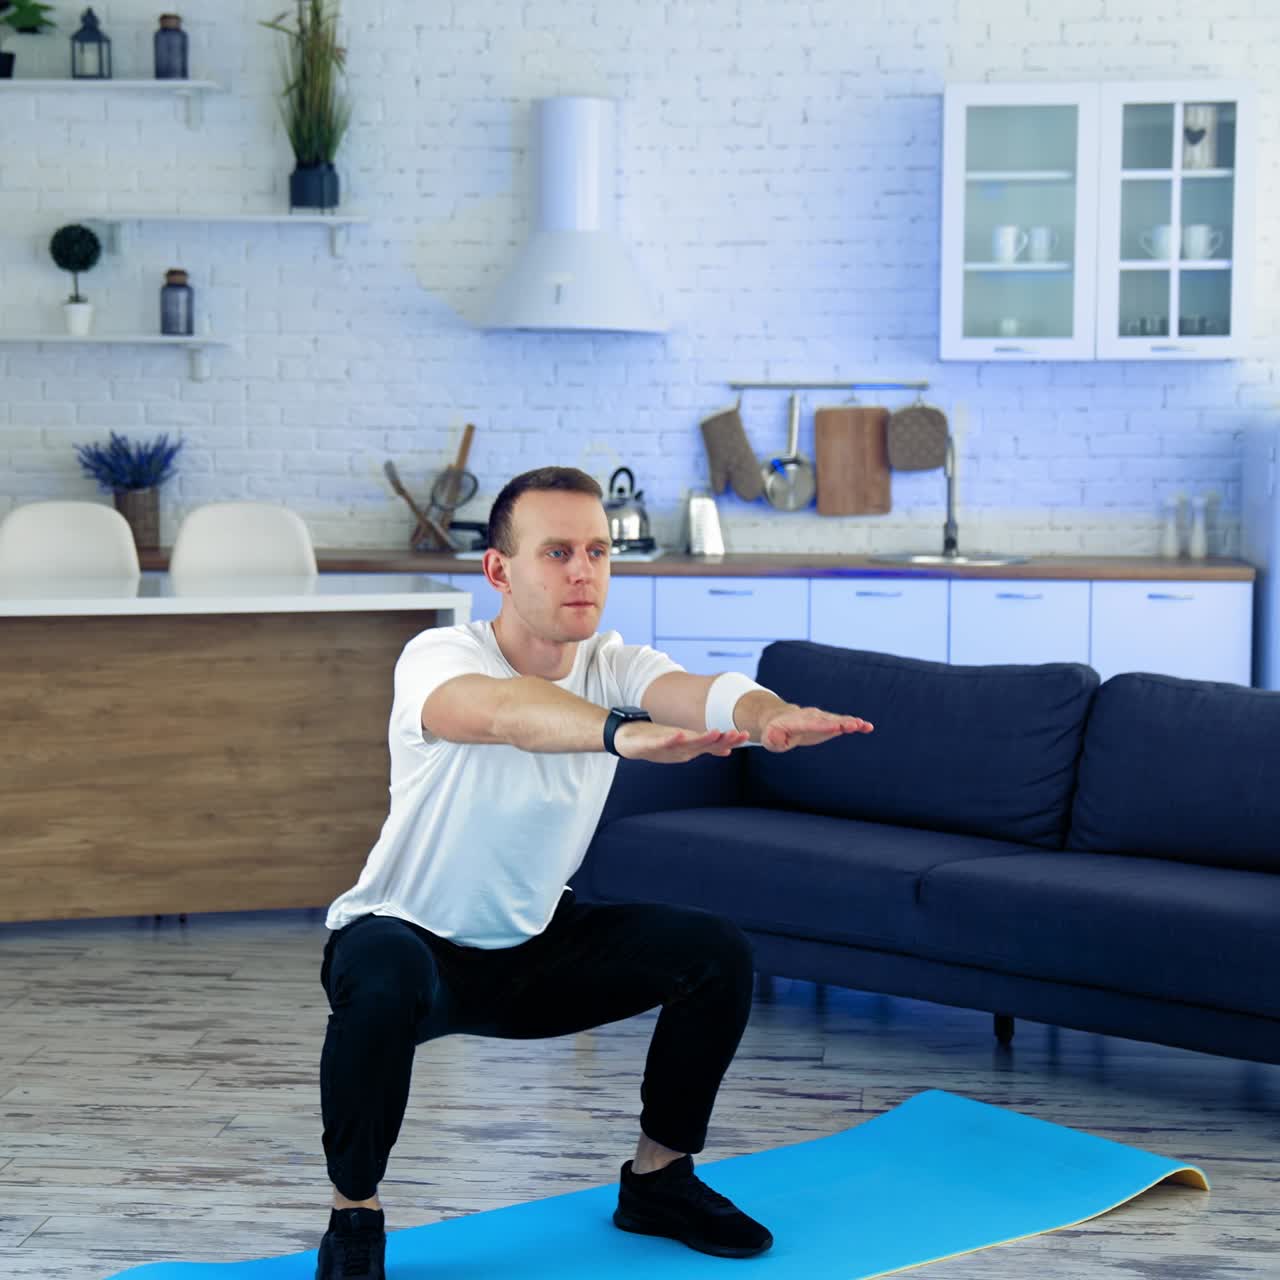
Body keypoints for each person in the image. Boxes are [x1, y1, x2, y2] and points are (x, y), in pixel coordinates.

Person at [315, 466, 874, 1280]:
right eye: (557, 552)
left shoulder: (614, 662)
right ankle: (354, 1219)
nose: (583, 571)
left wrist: (769, 717)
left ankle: (659, 1181)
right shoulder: (438, 656)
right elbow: (508, 714)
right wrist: (619, 734)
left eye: (598, 551)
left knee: (714, 953)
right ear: (498, 571)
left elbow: (702, 691)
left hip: (535, 947)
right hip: (408, 941)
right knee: (383, 974)